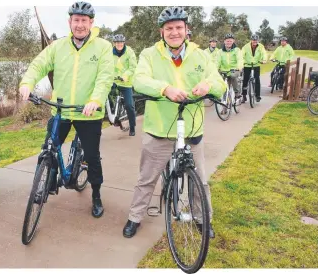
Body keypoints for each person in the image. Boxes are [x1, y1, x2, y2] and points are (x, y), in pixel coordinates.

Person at [122, 6, 226, 239]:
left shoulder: (201, 55)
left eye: (179, 27)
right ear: (162, 31)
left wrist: (208, 86)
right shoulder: (149, 54)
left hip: (191, 127)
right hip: (159, 128)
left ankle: (202, 218)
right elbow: (139, 80)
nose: (174, 32)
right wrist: (164, 89)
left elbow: (219, 82)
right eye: (169, 28)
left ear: (186, 30)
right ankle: (135, 217)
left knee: (200, 179)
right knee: (146, 179)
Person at [19, 1, 114, 218]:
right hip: (60, 110)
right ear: (69, 22)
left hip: (88, 112)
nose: (79, 25)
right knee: (48, 150)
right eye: (76, 20)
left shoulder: (103, 47)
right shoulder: (58, 46)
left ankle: (96, 195)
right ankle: (45, 184)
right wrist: (26, 83)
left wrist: (96, 100)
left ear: (91, 22)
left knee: (92, 157)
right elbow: (38, 64)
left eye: (84, 20)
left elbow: (105, 77)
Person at [111, 34, 137, 136]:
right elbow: (107, 66)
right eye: (117, 43)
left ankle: (132, 127)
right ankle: (113, 114)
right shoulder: (109, 53)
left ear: (124, 43)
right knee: (104, 97)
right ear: (114, 43)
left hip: (126, 82)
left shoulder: (129, 52)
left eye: (121, 42)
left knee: (129, 106)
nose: (119, 44)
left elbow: (133, 67)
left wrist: (125, 76)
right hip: (114, 81)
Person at [241, 34, 267, 102]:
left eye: (256, 40)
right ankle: (244, 95)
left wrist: (264, 60)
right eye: (253, 40)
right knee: (245, 80)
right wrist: (242, 61)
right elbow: (241, 54)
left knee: (257, 79)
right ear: (251, 40)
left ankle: (257, 95)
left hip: (256, 64)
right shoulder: (246, 46)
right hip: (247, 65)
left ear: (258, 40)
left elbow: (264, 53)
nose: (255, 41)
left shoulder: (261, 46)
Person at [218, 33, 244, 100]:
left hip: (234, 70)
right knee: (223, 87)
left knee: (233, 76)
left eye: (230, 41)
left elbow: (240, 59)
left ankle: (237, 93)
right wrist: (215, 68)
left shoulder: (237, 50)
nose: (229, 42)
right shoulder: (220, 51)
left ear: (233, 41)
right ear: (224, 41)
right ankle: (224, 105)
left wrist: (239, 67)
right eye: (227, 41)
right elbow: (217, 61)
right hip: (224, 70)